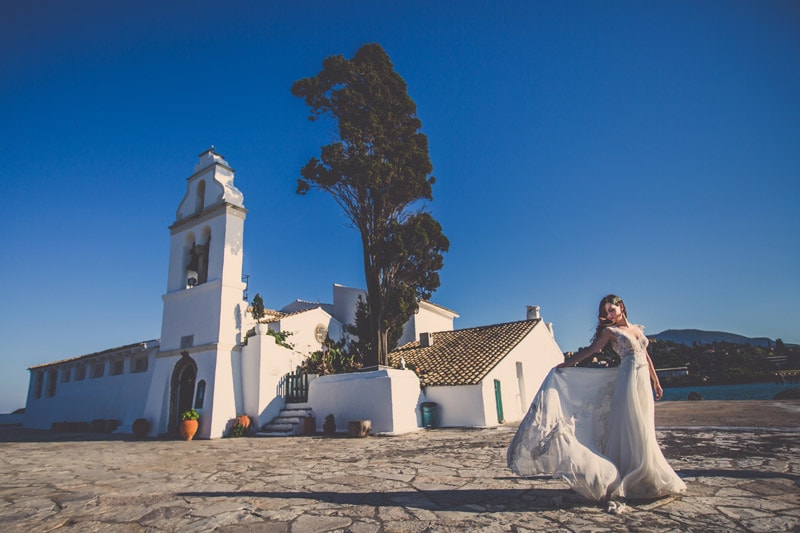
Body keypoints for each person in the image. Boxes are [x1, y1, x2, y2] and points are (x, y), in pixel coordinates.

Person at [507, 294, 686, 507]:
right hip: (627, 379)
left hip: (642, 382)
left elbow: (646, 356)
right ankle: (629, 472)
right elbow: (593, 350)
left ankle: (647, 472)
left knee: (645, 426)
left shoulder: (637, 329)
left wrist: (655, 381)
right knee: (631, 424)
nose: (609, 314)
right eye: (606, 312)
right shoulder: (610, 332)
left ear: (621, 307)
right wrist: (566, 364)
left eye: (611, 309)